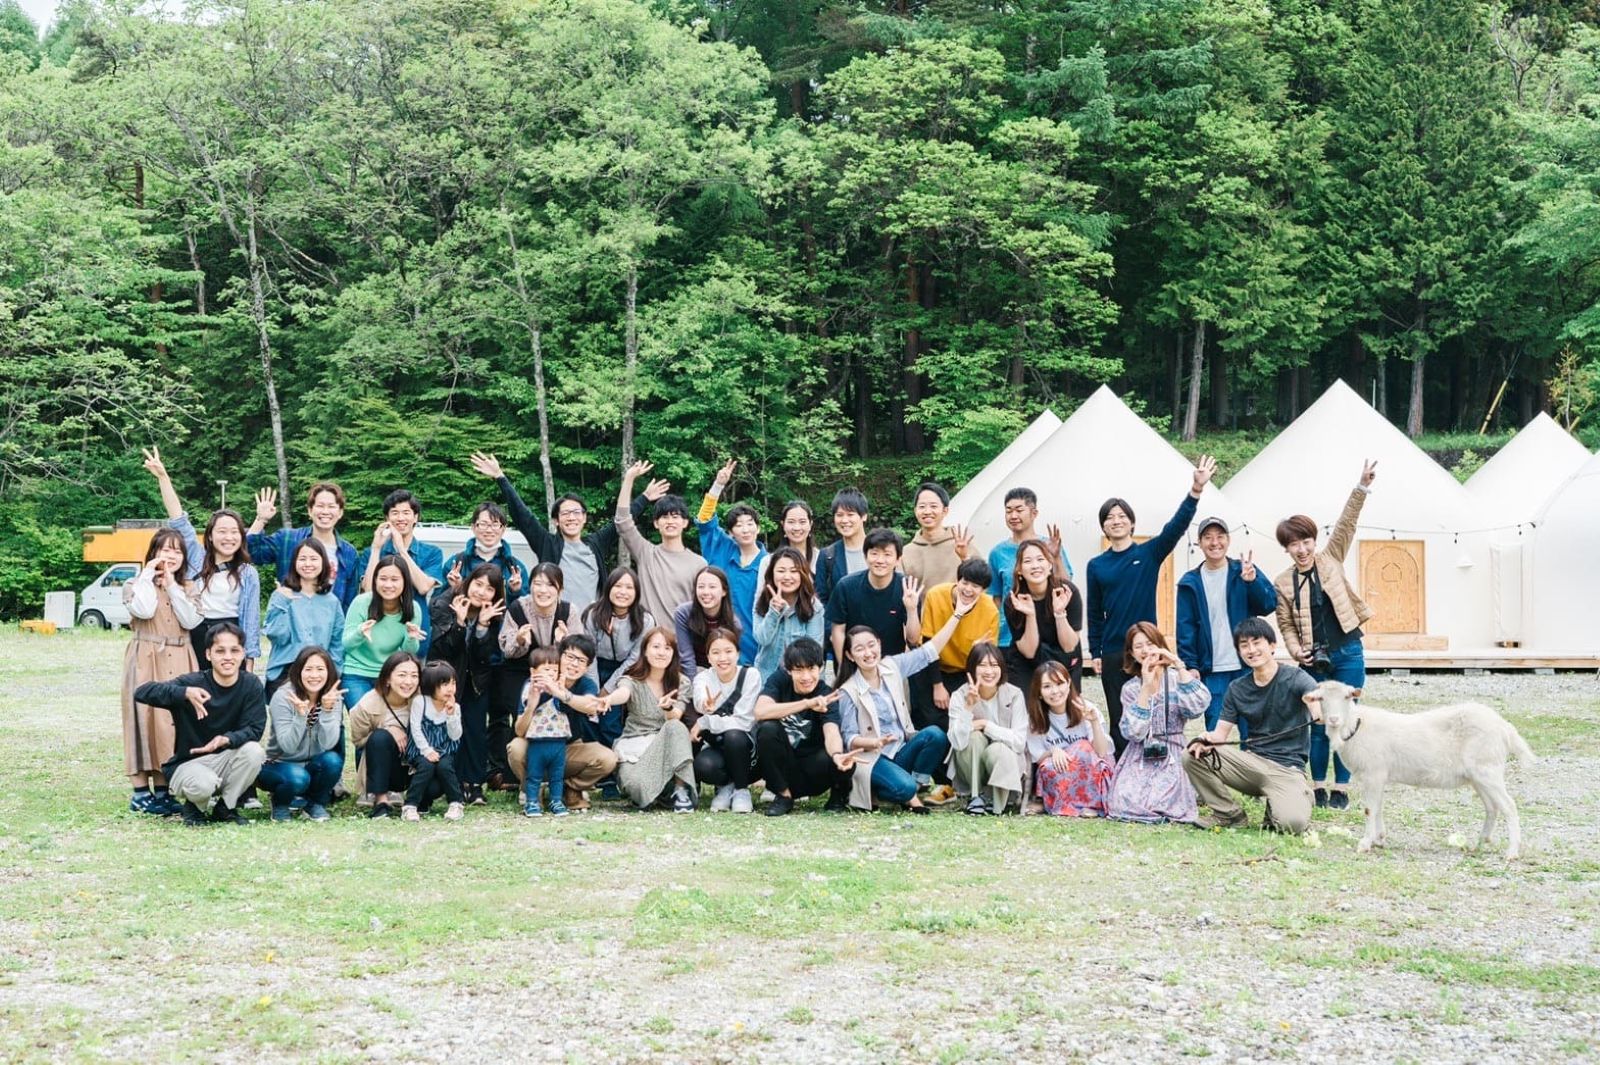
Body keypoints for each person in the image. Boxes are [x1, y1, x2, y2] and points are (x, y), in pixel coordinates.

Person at [1085, 455, 1216, 753]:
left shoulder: (1149, 553)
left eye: (1121, 516)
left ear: (1131, 522)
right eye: (1109, 517)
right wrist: (1095, 652)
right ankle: (1123, 770)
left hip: (1147, 649)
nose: (1116, 521)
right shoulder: (1097, 565)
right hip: (1114, 650)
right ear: (1104, 526)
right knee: (1121, 716)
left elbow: (1176, 527)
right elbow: (1094, 612)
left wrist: (1196, 490)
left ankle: (1158, 764)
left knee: (1154, 709)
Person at [1273, 460, 1378, 811]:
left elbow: (1347, 523)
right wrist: (1295, 650)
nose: (1302, 549)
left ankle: (1341, 787)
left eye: (1306, 541)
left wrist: (1361, 487)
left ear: (1314, 541)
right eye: (1294, 544)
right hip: (1312, 660)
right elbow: (1285, 624)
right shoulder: (1283, 582)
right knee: (1317, 723)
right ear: (1286, 548)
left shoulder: (1331, 558)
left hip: (1347, 651)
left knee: (1346, 720)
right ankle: (1317, 786)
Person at [470, 451, 664, 615]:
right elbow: (523, 516)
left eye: (576, 512)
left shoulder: (595, 544)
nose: (571, 518)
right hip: (556, 623)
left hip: (591, 626)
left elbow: (621, 521)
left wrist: (645, 497)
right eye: (565, 513)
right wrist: (500, 477)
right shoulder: (547, 543)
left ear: (584, 517)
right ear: (556, 520)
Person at [1184, 618, 1318, 834]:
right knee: (1192, 755)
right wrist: (1204, 739)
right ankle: (1229, 815)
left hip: (1287, 768)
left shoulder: (1296, 677)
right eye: (1244, 645)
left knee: (1292, 825)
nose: (1251, 650)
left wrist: (1319, 711)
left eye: (1257, 643)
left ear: (1272, 645)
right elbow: (1220, 735)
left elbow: (1315, 701)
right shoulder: (1237, 688)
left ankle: (1295, 796)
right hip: (1251, 764)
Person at [835, 602, 968, 813]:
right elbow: (849, 738)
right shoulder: (848, 691)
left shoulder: (891, 666)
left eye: (871, 645)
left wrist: (958, 614)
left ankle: (912, 789)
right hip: (873, 757)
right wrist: (874, 742)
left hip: (900, 750)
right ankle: (901, 794)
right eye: (859, 649)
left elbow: (929, 651)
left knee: (935, 735)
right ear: (850, 655)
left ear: (879, 644)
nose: (868, 653)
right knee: (904, 787)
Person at [132, 623, 266, 826]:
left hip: (224, 760)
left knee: (254, 751)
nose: (228, 657)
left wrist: (226, 739)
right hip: (188, 764)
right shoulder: (193, 683)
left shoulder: (251, 684)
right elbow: (142, 692)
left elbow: (255, 729)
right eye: (220, 651)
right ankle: (194, 808)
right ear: (208, 654)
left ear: (242, 654)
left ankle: (225, 807)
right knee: (204, 783)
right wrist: (183, 693)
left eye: (234, 650)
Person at [142, 446, 262, 667]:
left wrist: (249, 663)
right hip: (195, 634)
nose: (229, 537)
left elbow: (251, 620)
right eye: (222, 531)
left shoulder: (247, 573)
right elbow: (178, 518)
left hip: (230, 637)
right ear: (210, 536)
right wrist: (163, 477)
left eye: (234, 532)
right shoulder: (197, 557)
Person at [121, 528, 201, 817]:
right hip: (146, 656)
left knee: (171, 723)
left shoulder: (189, 587)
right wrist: (149, 575)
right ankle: (141, 792)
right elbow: (143, 610)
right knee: (143, 718)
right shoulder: (134, 584)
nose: (171, 555)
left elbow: (190, 620)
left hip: (180, 656)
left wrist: (172, 585)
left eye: (177, 551)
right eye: (165, 549)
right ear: (153, 553)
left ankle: (165, 789)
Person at [1174, 517, 1277, 731]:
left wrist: (1252, 582)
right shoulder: (1189, 582)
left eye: (1220, 536)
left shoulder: (1243, 570)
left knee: (1254, 733)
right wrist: (1191, 664)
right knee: (1215, 733)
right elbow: (1186, 628)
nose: (1215, 543)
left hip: (1248, 666)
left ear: (1228, 540)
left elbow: (1268, 604)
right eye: (1208, 537)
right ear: (1199, 543)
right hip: (1212, 672)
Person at [1104, 623, 1209, 824]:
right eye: (1138, 646)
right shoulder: (1131, 688)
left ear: (1160, 645)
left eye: (1150, 644)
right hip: (1141, 753)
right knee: (1124, 798)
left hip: (1173, 752)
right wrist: (1146, 688)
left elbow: (1197, 707)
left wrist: (1178, 664)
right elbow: (1133, 732)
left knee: (1162, 799)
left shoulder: (1177, 679)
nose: (1145, 650)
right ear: (1132, 653)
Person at [506, 634, 619, 811]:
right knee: (516, 748)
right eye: (570, 657)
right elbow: (520, 731)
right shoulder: (535, 682)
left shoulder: (586, 684)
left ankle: (570, 788)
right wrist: (532, 705)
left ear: (587, 666)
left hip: (568, 748)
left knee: (607, 758)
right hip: (536, 746)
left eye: (581, 660)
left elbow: (589, 706)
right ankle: (532, 789)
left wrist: (561, 694)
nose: (574, 664)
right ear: (560, 656)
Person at [430, 563, 507, 807]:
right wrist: (460, 623)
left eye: (489, 589)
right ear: (468, 581)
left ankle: (474, 783)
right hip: (445, 677)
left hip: (476, 679)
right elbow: (444, 648)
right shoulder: (445, 603)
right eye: (478, 584)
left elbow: (484, 656)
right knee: (447, 730)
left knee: (475, 730)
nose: (482, 592)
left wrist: (482, 627)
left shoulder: (494, 613)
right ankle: (450, 782)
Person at [595, 627, 697, 811]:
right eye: (656, 647)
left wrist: (667, 708)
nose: (661, 652)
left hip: (664, 745)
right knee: (637, 788)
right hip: (634, 745)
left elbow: (675, 716)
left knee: (676, 726)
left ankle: (680, 790)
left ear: (673, 654)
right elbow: (623, 693)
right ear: (645, 651)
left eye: (667, 648)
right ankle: (662, 791)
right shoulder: (631, 679)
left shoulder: (681, 682)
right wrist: (609, 699)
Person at [753, 638, 854, 817]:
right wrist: (807, 704)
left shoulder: (825, 694)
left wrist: (837, 755)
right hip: (783, 769)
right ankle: (784, 796)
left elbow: (831, 731)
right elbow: (760, 711)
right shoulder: (779, 680)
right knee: (767, 729)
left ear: (820, 668)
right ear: (789, 670)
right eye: (799, 670)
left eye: (811, 669)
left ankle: (838, 796)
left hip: (813, 770)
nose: (806, 677)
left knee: (843, 754)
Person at [495, 561, 573, 793]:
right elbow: (506, 649)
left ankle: (557, 777)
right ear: (530, 586)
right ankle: (520, 778)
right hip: (521, 670)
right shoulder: (518, 608)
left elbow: (578, 653)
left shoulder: (568, 611)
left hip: (558, 672)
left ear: (560, 589)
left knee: (559, 715)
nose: (543, 590)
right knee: (522, 717)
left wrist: (562, 643)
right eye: (537, 584)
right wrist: (520, 640)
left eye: (550, 585)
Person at [257, 646, 345, 822]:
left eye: (320, 669)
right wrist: (300, 716)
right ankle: (280, 803)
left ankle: (313, 804)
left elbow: (329, 744)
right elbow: (288, 746)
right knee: (298, 778)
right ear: (298, 671)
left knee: (333, 761)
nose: (314, 675)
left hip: (312, 763)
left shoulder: (332, 698)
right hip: (279, 764)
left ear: (329, 672)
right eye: (308, 669)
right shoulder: (283, 697)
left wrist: (327, 711)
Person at [694, 459, 767, 664]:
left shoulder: (769, 563)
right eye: (739, 525)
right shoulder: (723, 550)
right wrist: (718, 486)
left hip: (756, 643)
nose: (745, 529)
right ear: (731, 532)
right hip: (721, 644)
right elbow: (705, 521)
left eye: (750, 524)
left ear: (758, 528)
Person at [615, 460, 704, 627]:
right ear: (656, 523)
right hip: (647, 638)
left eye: (675, 516)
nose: (670, 521)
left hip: (682, 639)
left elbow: (702, 609)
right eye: (664, 517)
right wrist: (629, 479)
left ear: (685, 523)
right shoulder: (645, 553)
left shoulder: (699, 563)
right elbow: (622, 521)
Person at [356, 489, 444, 655]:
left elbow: (423, 587)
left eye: (406, 513)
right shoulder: (371, 553)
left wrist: (402, 550)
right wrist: (376, 549)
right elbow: (367, 590)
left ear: (415, 517)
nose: (401, 518)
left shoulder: (432, 553)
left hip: (414, 632)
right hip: (378, 635)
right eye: (395, 513)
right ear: (387, 518)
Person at [246, 482, 362, 608]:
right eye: (320, 506)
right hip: (289, 616)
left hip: (330, 619)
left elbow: (349, 602)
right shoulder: (287, 539)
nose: (325, 511)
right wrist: (261, 519)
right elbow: (250, 553)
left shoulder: (349, 553)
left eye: (331, 506)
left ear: (340, 512)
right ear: (310, 511)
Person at [945, 643, 1029, 815]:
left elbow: (1019, 742)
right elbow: (956, 742)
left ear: (1001, 668)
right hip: (970, 768)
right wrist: (968, 707)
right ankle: (975, 796)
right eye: (982, 665)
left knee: (998, 748)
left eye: (994, 665)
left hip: (1004, 763)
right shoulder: (960, 695)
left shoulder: (1014, 694)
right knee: (974, 738)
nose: (989, 671)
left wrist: (985, 725)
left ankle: (996, 802)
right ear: (972, 669)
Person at [688, 628, 762, 813]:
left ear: (738, 653)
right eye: (716, 652)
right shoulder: (703, 677)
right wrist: (705, 706)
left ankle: (742, 790)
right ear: (708, 657)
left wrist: (705, 722)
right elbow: (699, 700)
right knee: (703, 765)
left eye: (728, 651)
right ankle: (725, 787)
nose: (723, 658)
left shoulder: (751, 676)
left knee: (734, 735)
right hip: (717, 746)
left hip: (746, 750)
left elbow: (744, 721)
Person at [1025, 662, 1114, 817]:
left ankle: (1092, 804)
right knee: (1048, 766)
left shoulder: (1085, 708)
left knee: (1083, 747)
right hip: (1061, 773)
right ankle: (1063, 804)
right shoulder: (1035, 719)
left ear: (1068, 684)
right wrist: (1053, 751)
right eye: (1047, 686)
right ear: (1039, 692)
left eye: (1060, 683)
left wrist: (1094, 722)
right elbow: (1038, 758)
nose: (1055, 691)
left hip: (1091, 770)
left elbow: (1101, 752)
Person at [919, 559, 1000, 727]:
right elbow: (927, 643)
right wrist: (937, 685)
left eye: (975, 586)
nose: (968, 589)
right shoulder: (936, 595)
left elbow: (988, 657)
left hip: (965, 672)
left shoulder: (990, 610)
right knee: (934, 723)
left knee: (962, 720)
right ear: (957, 580)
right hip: (933, 667)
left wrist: (978, 650)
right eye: (965, 582)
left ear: (984, 590)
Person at [986, 488, 1069, 649]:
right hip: (1008, 637)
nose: (1013, 516)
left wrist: (1056, 558)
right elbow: (997, 598)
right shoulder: (997, 553)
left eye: (1019, 510)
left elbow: (1066, 586)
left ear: (1034, 513)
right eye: (1008, 511)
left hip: (1047, 634)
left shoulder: (1050, 545)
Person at [262, 539, 346, 697]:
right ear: (294, 563)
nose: (308, 564)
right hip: (286, 670)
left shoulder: (331, 601)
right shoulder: (281, 595)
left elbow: (337, 642)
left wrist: (333, 672)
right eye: (302, 559)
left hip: (319, 672)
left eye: (313, 559)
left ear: (323, 563)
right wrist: (283, 602)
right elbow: (277, 636)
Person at [826, 528, 922, 666]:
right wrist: (843, 667)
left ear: (898, 560)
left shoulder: (907, 588)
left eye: (887, 554)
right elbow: (838, 631)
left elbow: (913, 640)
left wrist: (911, 610)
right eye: (874, 553)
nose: (880, 560)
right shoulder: (846, 586)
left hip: (891, 666)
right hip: (855, 664)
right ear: (865, 556)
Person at [341, 556, 424, 710]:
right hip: (357, 673)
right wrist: (360, 632)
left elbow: (409, 652)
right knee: (365, 717)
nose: (388, 585)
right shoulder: (361, 603)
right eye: (383, 579)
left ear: (405, 582)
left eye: (394, 579)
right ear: (375, 580)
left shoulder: (413, 609)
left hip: (390, 675)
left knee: (389, 722)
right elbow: (346, 644)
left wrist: (411, 638)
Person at [347, 651, 423, 818]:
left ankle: (417, 800)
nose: (408, 682)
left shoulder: (423, 700)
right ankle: (381, 801)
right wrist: (387, 729)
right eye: (402, 675)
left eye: (414, 676)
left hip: (415, 766)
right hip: (384, 767)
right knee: (380, 737)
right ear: (388, 678)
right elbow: (358, 740)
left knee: (434, 787)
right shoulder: (367, 704)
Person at [1003, 539, 1084, 691]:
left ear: (1050, 565)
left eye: (1040, 559)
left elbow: (1069, 646)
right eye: (1028, 561)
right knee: (1026, 703)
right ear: (1019, 570)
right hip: (1026, 662)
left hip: (1063, 658)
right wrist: (1030, 615)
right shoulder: (1014, 600)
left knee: (1065, 702)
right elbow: (1029, 652)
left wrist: (1059, 613)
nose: (1035, 566)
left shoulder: (1067, 592)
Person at [403, 661, 466, 821]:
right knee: (425, 766)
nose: (450, 688)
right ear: (431, 685)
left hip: (444, 749)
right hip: (420, 749)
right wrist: (426, 750)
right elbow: (416, 729)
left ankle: (456, 803)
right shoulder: (420, 702)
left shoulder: (455, 707)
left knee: (445, 766)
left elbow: (455, 736)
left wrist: (451, 715)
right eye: (444, 684)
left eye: (453, 683)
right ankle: (410, 805)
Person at [514, 648, 572, 817]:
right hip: (537, 740)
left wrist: (560, 689)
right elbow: (530, 702)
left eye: (555, 670)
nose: (551, 674)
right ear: (533, 672)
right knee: (534, 774)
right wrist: (546, 690)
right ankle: (532, 801)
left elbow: (566, 706)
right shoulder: (530, 687)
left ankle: (556, 800)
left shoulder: (560, 687)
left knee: (557, 775)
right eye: (546, 669)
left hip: (559, 739)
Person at [752, 547, 825, 679]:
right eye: (781, 571)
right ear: (771, 574)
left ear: (802, 574)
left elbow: (814, 651)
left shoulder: (814, 607)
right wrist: (774, 612)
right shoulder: (762, 602)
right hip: (767, 676)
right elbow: (762, 639)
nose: (787, 577)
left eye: (794, 571)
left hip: (802, 677)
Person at [440, 501, 530, 603]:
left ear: (503, 529)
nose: (489, 530)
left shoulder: (516, 568)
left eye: (495, 524)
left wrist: (516, 591)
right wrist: (454, 588)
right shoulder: (455, 564)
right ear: (473, 527)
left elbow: (527, 608)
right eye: (483, 524)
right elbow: (436, 605)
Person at [582, 568, 655, 692]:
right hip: (593, 668)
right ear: (609, 588)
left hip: (626, 671)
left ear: (637, 592)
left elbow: (634, 658)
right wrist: (594, 689)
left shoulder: (645, 621)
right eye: (618, 586)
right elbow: (589, 653)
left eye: (629, 587)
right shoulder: (593, 614)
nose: (623, 592)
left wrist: (607, 690)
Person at [672, 566, 741, 680]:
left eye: (712, 587)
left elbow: (728, 660)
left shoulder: (734, 624)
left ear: (724, 591)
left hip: (717, 672)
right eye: (701, 587)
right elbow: (686, 657)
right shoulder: (683, 613)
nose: (706, 592)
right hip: (688, 673)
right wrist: (695, 685)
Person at [901, 481, 972, 589]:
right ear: (915, 511)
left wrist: (965, 558)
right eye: (922, 506)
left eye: (933, 506)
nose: (927, 511)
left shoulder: (962, 545)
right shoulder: (906, 553)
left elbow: (981, 583)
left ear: (945, 511)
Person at [812, 487, 870, 606]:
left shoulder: (879, 551)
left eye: (850, 514)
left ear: (864, 516)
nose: (844, 520)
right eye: (839, 515)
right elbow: (821, 601)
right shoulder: (827, 556)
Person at [755, 500, 817, 592]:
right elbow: (760, 597)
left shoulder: (821, 558)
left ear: (810, 524)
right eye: (791, 522)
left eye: (802, 522)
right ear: (783, 524)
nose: (797, 527)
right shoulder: (768, 562)